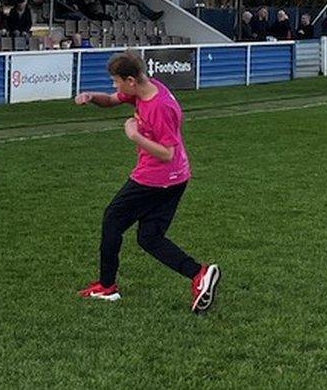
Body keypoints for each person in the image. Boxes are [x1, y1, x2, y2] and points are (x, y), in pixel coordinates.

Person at [74, 51, 220, 314]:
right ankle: (199, 274)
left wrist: (134, 135)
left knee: (112, 219)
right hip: (177, 178)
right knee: (149, 237)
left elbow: (167, 153)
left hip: (156, 179)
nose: (114, 86)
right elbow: (110, 100)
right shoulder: (145, 88)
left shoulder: (160, 107)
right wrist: (91, 97)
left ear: (130, 80)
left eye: (116, 81)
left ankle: (107, 287)